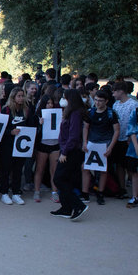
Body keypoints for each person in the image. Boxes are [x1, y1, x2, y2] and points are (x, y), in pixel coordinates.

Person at [51, 89, 89, 220]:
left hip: (71, 151)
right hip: (67, 149)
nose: (62, 99)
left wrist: (65, 152)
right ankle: (66, 208)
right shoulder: (71, 112)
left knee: (58, 179)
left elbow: (73, 136)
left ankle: (77, 205)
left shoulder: (75, 114)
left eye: (64, 97)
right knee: (65, 179)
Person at [81, 89, 119, 205]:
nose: (97, 103)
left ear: (106, 101)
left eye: (100, 101)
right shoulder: (90, 112)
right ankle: (85, 193)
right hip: (92, 144)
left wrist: (110, 147)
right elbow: (86, 127)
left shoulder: (111, 113)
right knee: (85, 167)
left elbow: (116, 131)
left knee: (103, 170)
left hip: (104, 144)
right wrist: (84, 142)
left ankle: (100, 193)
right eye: (96, 100)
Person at [0, 87, 33, 205]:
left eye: (22, 96)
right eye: (19, 96)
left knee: (18, 169)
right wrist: (10, 132)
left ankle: (16, 192)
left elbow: (30, 125)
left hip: (21, 145)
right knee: (6, 169)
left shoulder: (26, 110)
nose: (21, 98)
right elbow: (0, 129)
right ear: (13, 97)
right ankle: (4, 192)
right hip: (7, 145)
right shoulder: (6, 110)